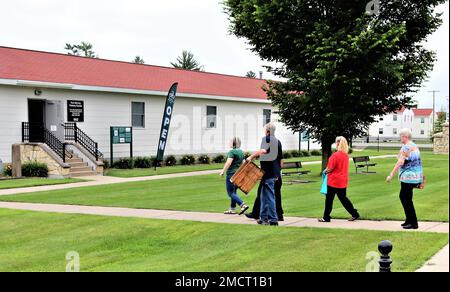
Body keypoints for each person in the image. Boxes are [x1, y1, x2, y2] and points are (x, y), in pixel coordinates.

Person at [386, 128, 423, 230]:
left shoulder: (406, 147)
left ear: (405, 137)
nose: (400, 138)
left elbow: (400, 162)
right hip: (416, 176)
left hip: (408, 177)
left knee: (405, 198)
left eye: (401, 136)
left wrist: (391, 175)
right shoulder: (414, 146)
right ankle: (409, 220)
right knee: (406, 198)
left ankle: (413, 223)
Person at [246, 123, 281, 226]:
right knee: (263, 196)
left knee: (269, 196)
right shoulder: (278, 141)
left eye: (265, 129)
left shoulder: (267, 139)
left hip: (268, 173)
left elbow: (263, 151)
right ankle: (263, 218)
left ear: (268, 131)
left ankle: (273, 220)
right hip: (273, 172)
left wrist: (251, 157)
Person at [319, 136, 360, 223]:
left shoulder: (335, 155)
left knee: (329, 200)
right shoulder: (345, 156)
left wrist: (325, 171)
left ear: (337, 143)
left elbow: (330, 168)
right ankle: (354, 213)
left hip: (333, 181)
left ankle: (326, 217)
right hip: (342, 181)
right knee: (344, 199)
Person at [220, 137, 249, 215]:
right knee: (234, 192)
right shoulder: (241, 152)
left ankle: (243, 205)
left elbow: (228, 163)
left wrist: (223, 171)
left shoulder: (231, 152)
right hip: (238, 174)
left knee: (230, 192)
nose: (229, 143)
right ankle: (232, 209)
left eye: (230, 142)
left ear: (233, 143)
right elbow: (243, 164)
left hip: (231, 174)